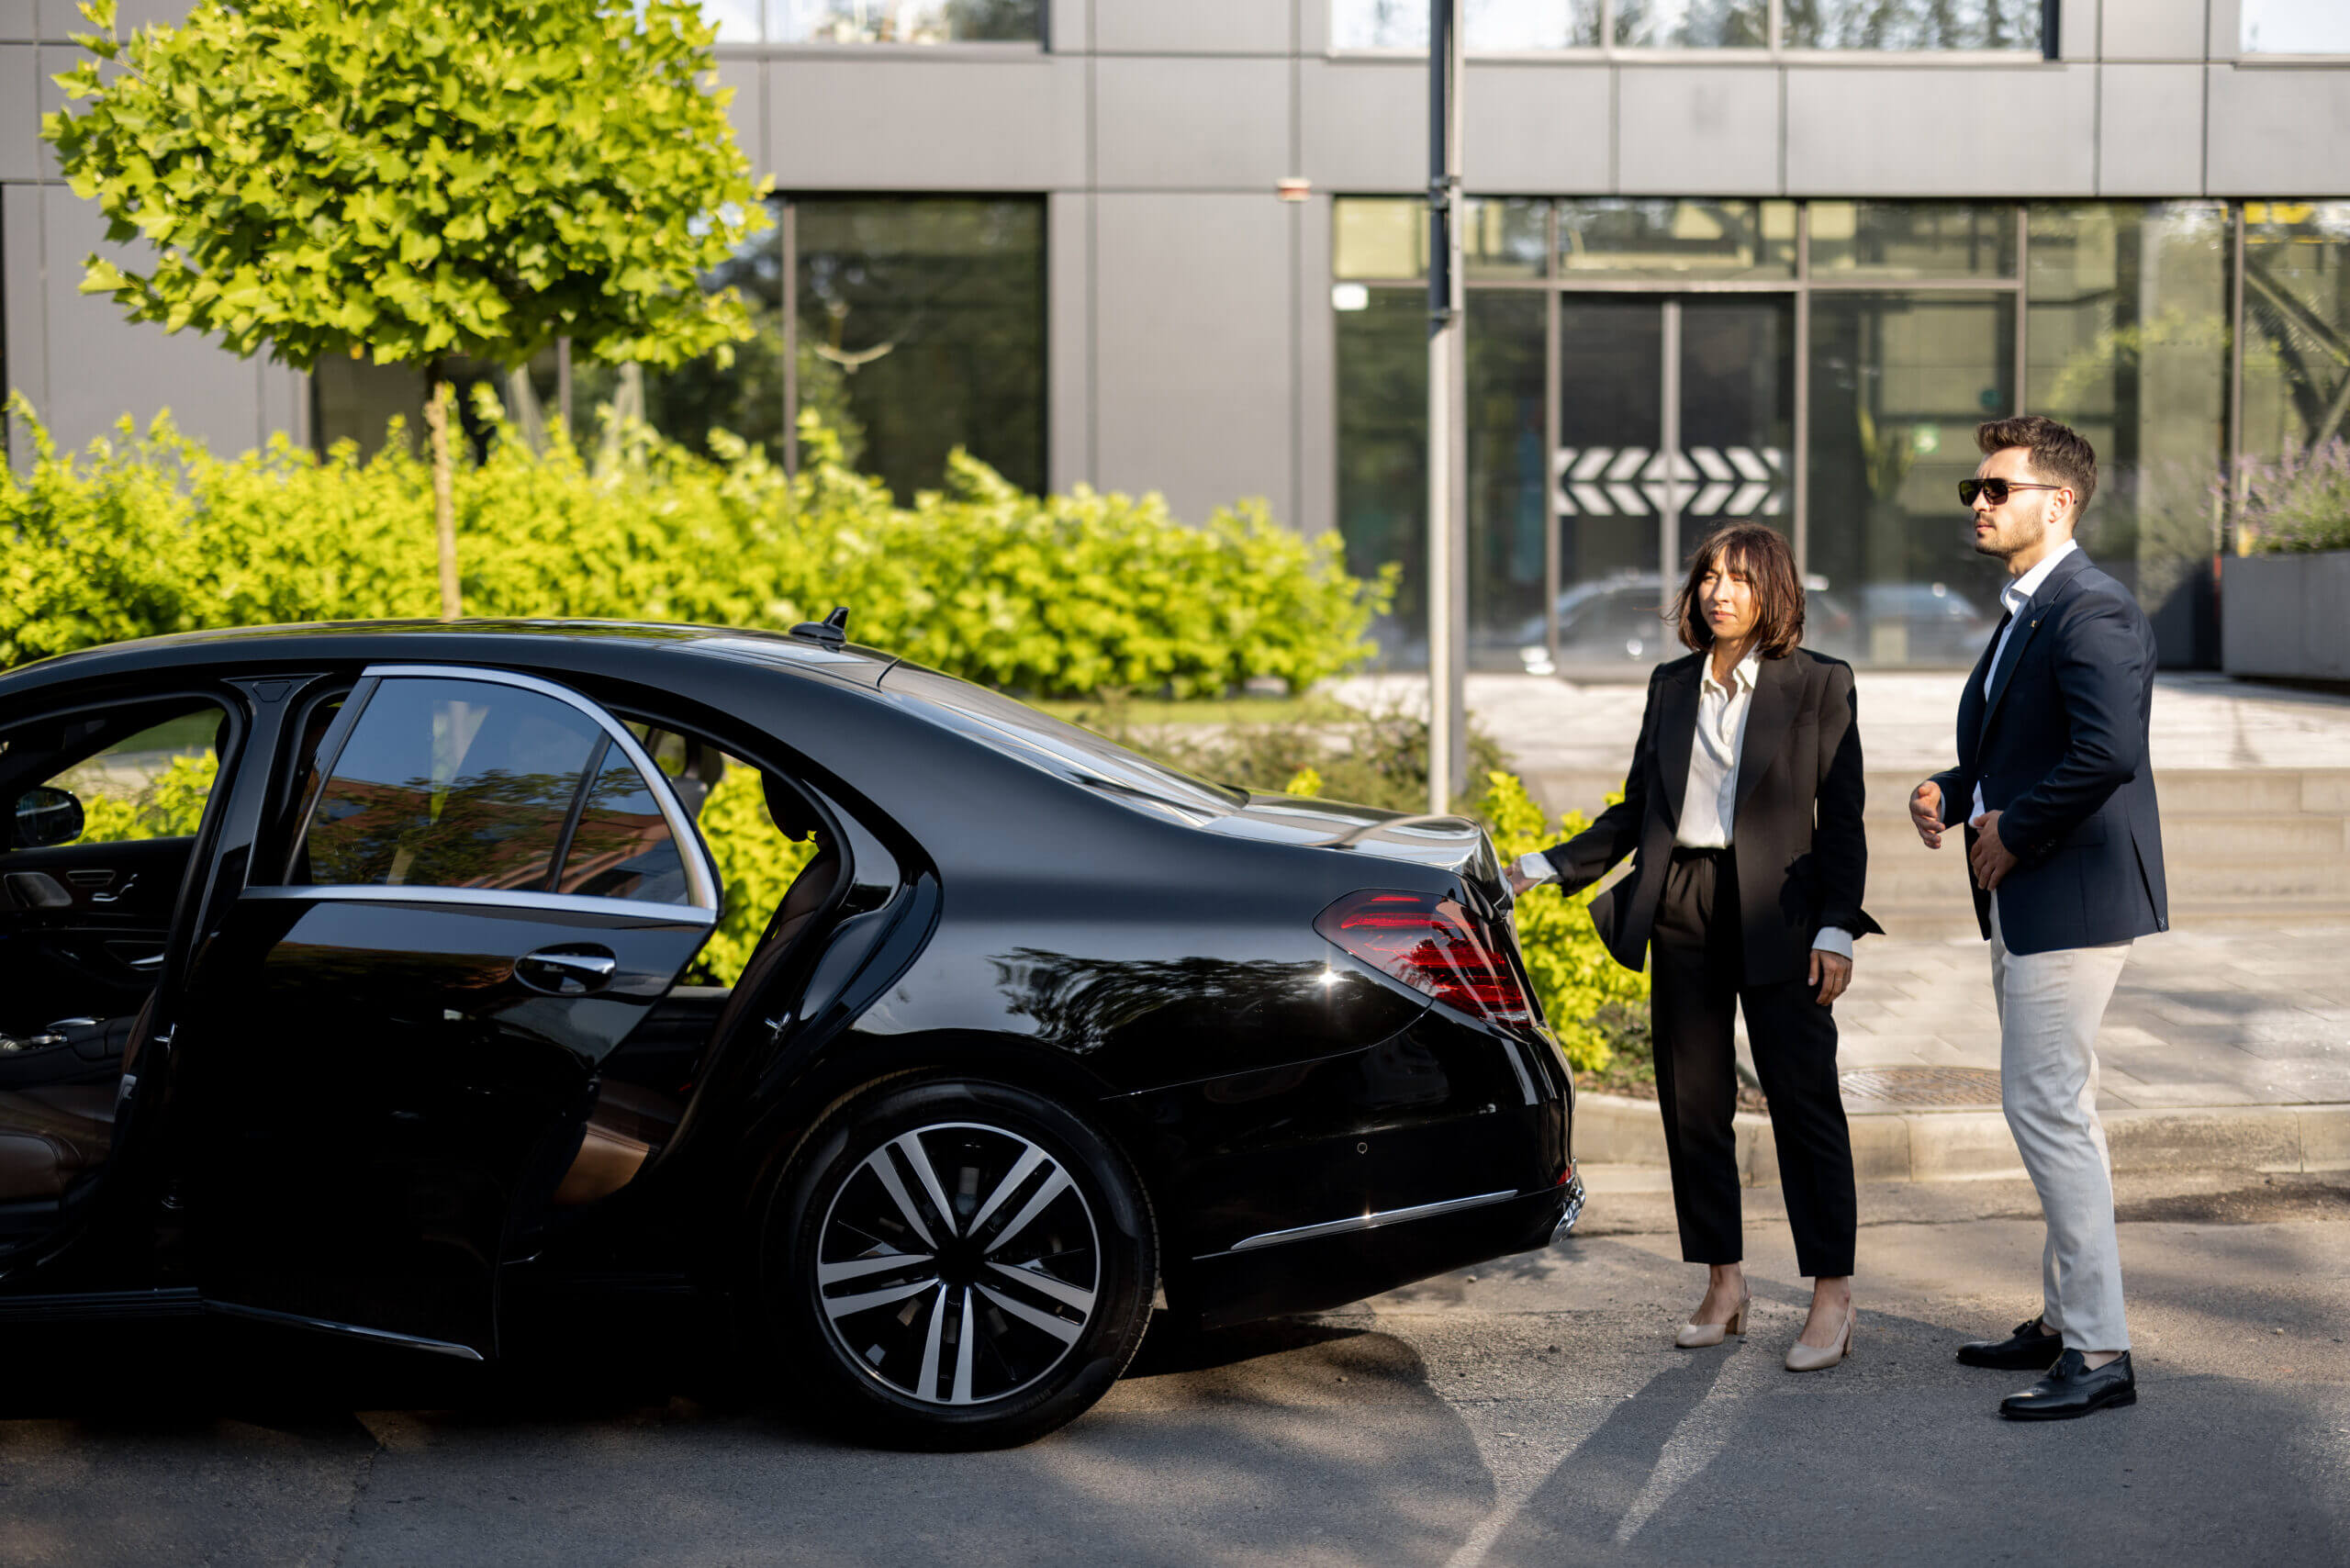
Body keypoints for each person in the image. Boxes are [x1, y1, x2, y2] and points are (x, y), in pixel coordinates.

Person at [1506, 521, 1879, 1372]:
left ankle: (1832, 1295)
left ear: (1773, 591)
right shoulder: (1673, 684)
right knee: (1693, 1106)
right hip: (1684, 903)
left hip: (1781, 913)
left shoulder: (1821, 683)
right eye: (1710, 576)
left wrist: (1837, 928)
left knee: (1804, 1105)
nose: (1720, 592)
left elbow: (1842, 819)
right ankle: (1724, 1285)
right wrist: (1544, 866)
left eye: (1740, 578)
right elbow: (1640, 808)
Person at [1910, 414, 2168, 1422]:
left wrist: (2013, 830)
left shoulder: (2089, 607)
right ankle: (2065, 1320)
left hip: (2070, 893)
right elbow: (2026, 743)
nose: (1978, 503)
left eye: (1996, 489)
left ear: (2057, 503)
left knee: (2045, 1109)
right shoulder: (2032, 607)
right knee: (2061, 1110)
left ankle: (2099, 1350)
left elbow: (2107, 752)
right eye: (1972, 490)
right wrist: (1953, 788)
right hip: (2032, 893)